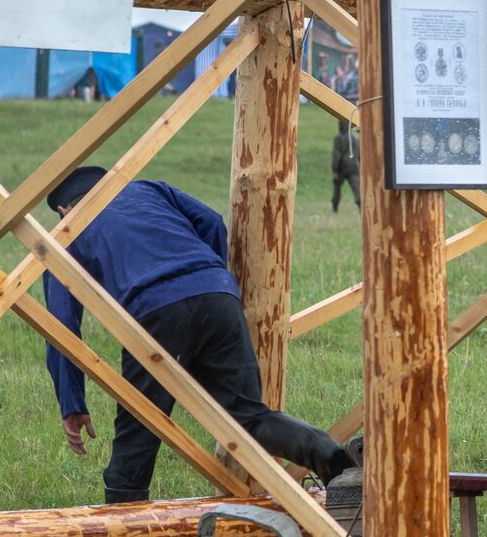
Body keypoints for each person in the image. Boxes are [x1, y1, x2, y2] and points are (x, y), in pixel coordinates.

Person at [42, 167, 356, 502]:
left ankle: (123, 535)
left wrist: (72, 402)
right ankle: (342, 469)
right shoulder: (149, 189)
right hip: (219, 295)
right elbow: (211, 222)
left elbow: (61, 326)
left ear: (64, 209)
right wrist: (208, 281)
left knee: (140, 426)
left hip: (155, 310)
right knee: (249, 417)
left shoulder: (65, 232)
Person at [331, 119, 360, 212]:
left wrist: (335, 171)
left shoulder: (338, 139)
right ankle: (361, 208)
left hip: (342, 169)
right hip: (354, 168)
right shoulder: (356, 139)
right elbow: (360, 155)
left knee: (337, 189)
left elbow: (336, 156)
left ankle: (335, 208)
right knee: (357, 190)